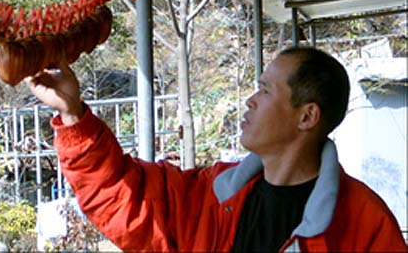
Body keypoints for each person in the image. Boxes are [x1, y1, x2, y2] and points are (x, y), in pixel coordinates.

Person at [26, 46, 407, 252]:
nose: (250, 101)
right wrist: (73, 114)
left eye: (265, 89)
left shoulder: (363, 223)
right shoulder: (213, 194)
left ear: (307, 116)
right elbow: (125, 196)